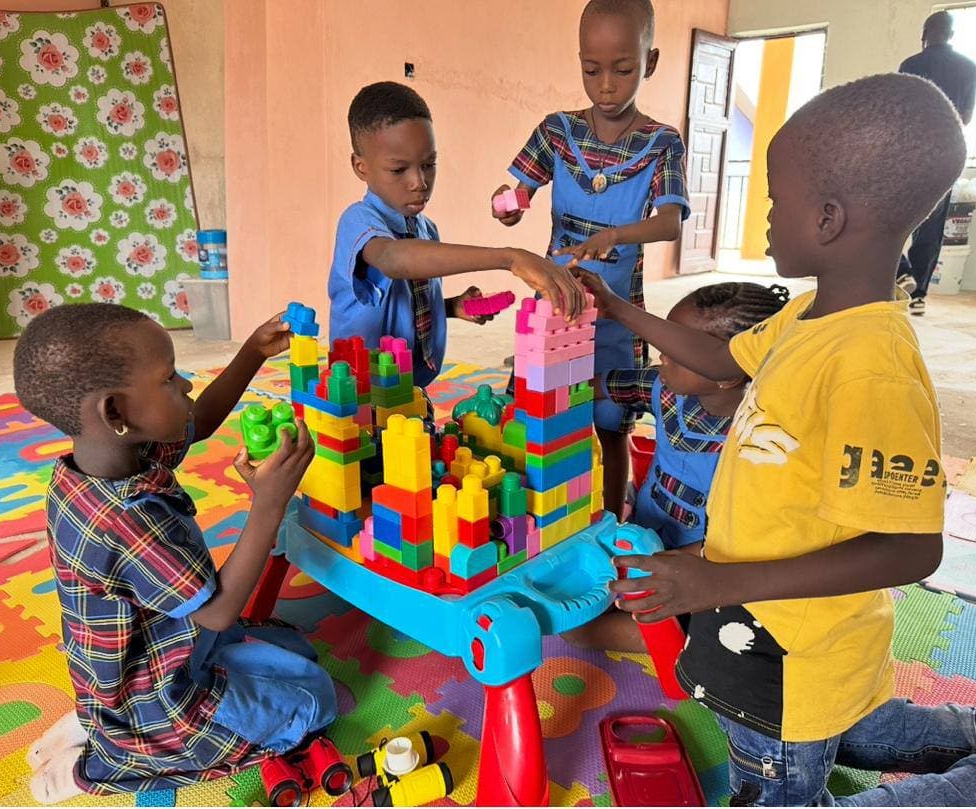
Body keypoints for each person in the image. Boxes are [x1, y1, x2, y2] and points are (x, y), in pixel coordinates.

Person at [579, 73, 976, 806]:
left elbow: (911, 547)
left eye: (777, 200)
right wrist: (616, 306)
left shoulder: (872, 365)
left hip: (793, 654)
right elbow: (720, 357)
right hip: (770, 631)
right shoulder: (812, 313)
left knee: (787, 777)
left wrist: (718, 580)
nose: (766, 217)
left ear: (830, 218)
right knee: (860, 729)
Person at [13, 304, 333, 802]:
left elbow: (197, 420)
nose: (185, 384)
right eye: (169, 377)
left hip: (148, 657)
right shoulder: (126, 518)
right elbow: (222, 611)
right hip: (159, 698)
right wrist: (270, 502)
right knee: (315, 701)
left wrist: (252, 353)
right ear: (115, 412)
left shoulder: (105, 458)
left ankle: (98, 721)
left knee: (299, 651)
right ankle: (99, 765)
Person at [491, 0, 689, 515]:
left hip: (617, 312)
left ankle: (610, 515)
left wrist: (616, 234)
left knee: (610, 420)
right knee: (538, 411)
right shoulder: (557, 131)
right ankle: (533, 513)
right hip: (556, 303)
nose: (606, 85)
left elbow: (669, 221)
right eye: (591, 69)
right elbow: (519, 193)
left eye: (622, 70)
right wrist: (510, 207)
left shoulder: (662, 142)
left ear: (649, 62)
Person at [567, 282, 789, 652]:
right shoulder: (666, 387)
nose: (662, 355)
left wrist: (665, 565)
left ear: (727, 373)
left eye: (676, 350)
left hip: (701, 568)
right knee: (574, 610)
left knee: (583, 631)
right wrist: (552, 385)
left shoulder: (761, 439)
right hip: (641, 539)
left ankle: (695, 644)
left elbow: (749, 540)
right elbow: (604, 386)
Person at [328, 81, 586, 391]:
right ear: (361, 167)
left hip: (409, 391)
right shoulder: (357, 221)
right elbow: (393, 259)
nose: (419, 182)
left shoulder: (426, 229)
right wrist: (509, 258)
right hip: (358, 393)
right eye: (399, 170)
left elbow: (406, 300)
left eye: (428, 165)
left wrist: (451, 307)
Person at [896, 10, 976, 315]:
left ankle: (900, 272)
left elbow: (901, 112)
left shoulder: (912, 65)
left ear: (924, 34)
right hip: (947, 152)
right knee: (930, 227)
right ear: (952, 35)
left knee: (891, 216)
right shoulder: (969, 68)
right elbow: (966, 117)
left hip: (911, 151)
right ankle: (917, 294)